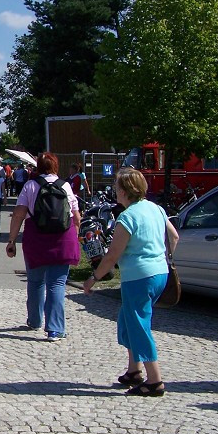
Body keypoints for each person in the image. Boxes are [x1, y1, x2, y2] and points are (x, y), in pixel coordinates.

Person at [83, 167, 178, 397]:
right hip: (159, 273)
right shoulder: (156, 209)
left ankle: (154, 380)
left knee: (138, 325)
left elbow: (113, 255)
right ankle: (134, 370)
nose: (115, 191)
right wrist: (162, 257)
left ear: (125, 191)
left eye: (117, 188)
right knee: (127, 319)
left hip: (139, 277)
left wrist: (94, 278)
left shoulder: (127, 217)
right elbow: (174, 236)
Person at [5, 153, 81, 342]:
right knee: (56, 284)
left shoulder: (30, 186)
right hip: (62, 239)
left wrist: (12, 240)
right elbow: (76, 216)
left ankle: (35, 320)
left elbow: (18, 215)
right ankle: (55, 329)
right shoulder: (65, 186)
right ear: (56, 166)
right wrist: (75, 237)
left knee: (35, 281)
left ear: (38, 166)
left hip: (36, 239)